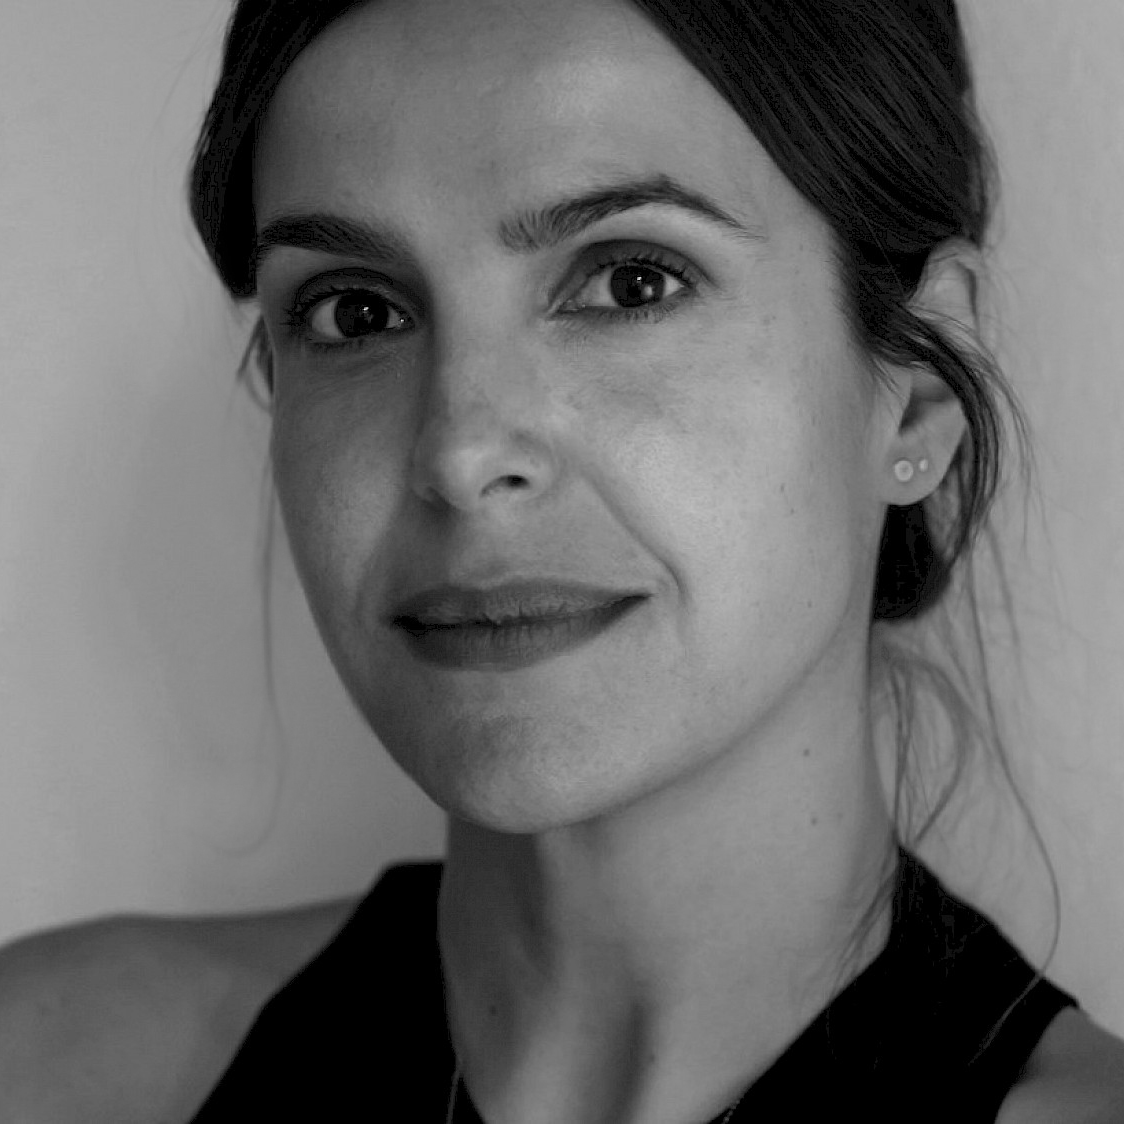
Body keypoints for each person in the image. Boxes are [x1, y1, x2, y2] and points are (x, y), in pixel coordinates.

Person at [1, 0, 1123, 1120]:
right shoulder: (51, 1069)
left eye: (631, 281)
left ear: (918, 392)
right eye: (354, 311)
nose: (459, 453)